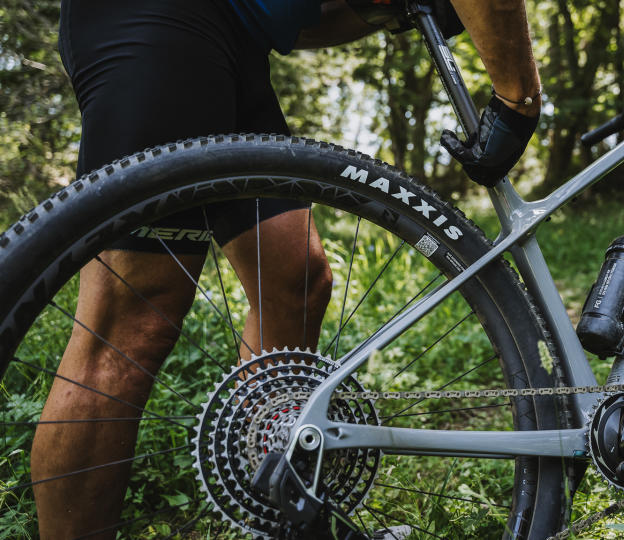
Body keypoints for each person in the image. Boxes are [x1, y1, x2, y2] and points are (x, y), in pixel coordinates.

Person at [36, 0, 541, 537]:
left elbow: (294, 24)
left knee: (295, 281)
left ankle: (277, 513)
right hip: (161, 18)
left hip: (233, 37)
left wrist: (380, 13)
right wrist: (518, 101)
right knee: (130, 327)